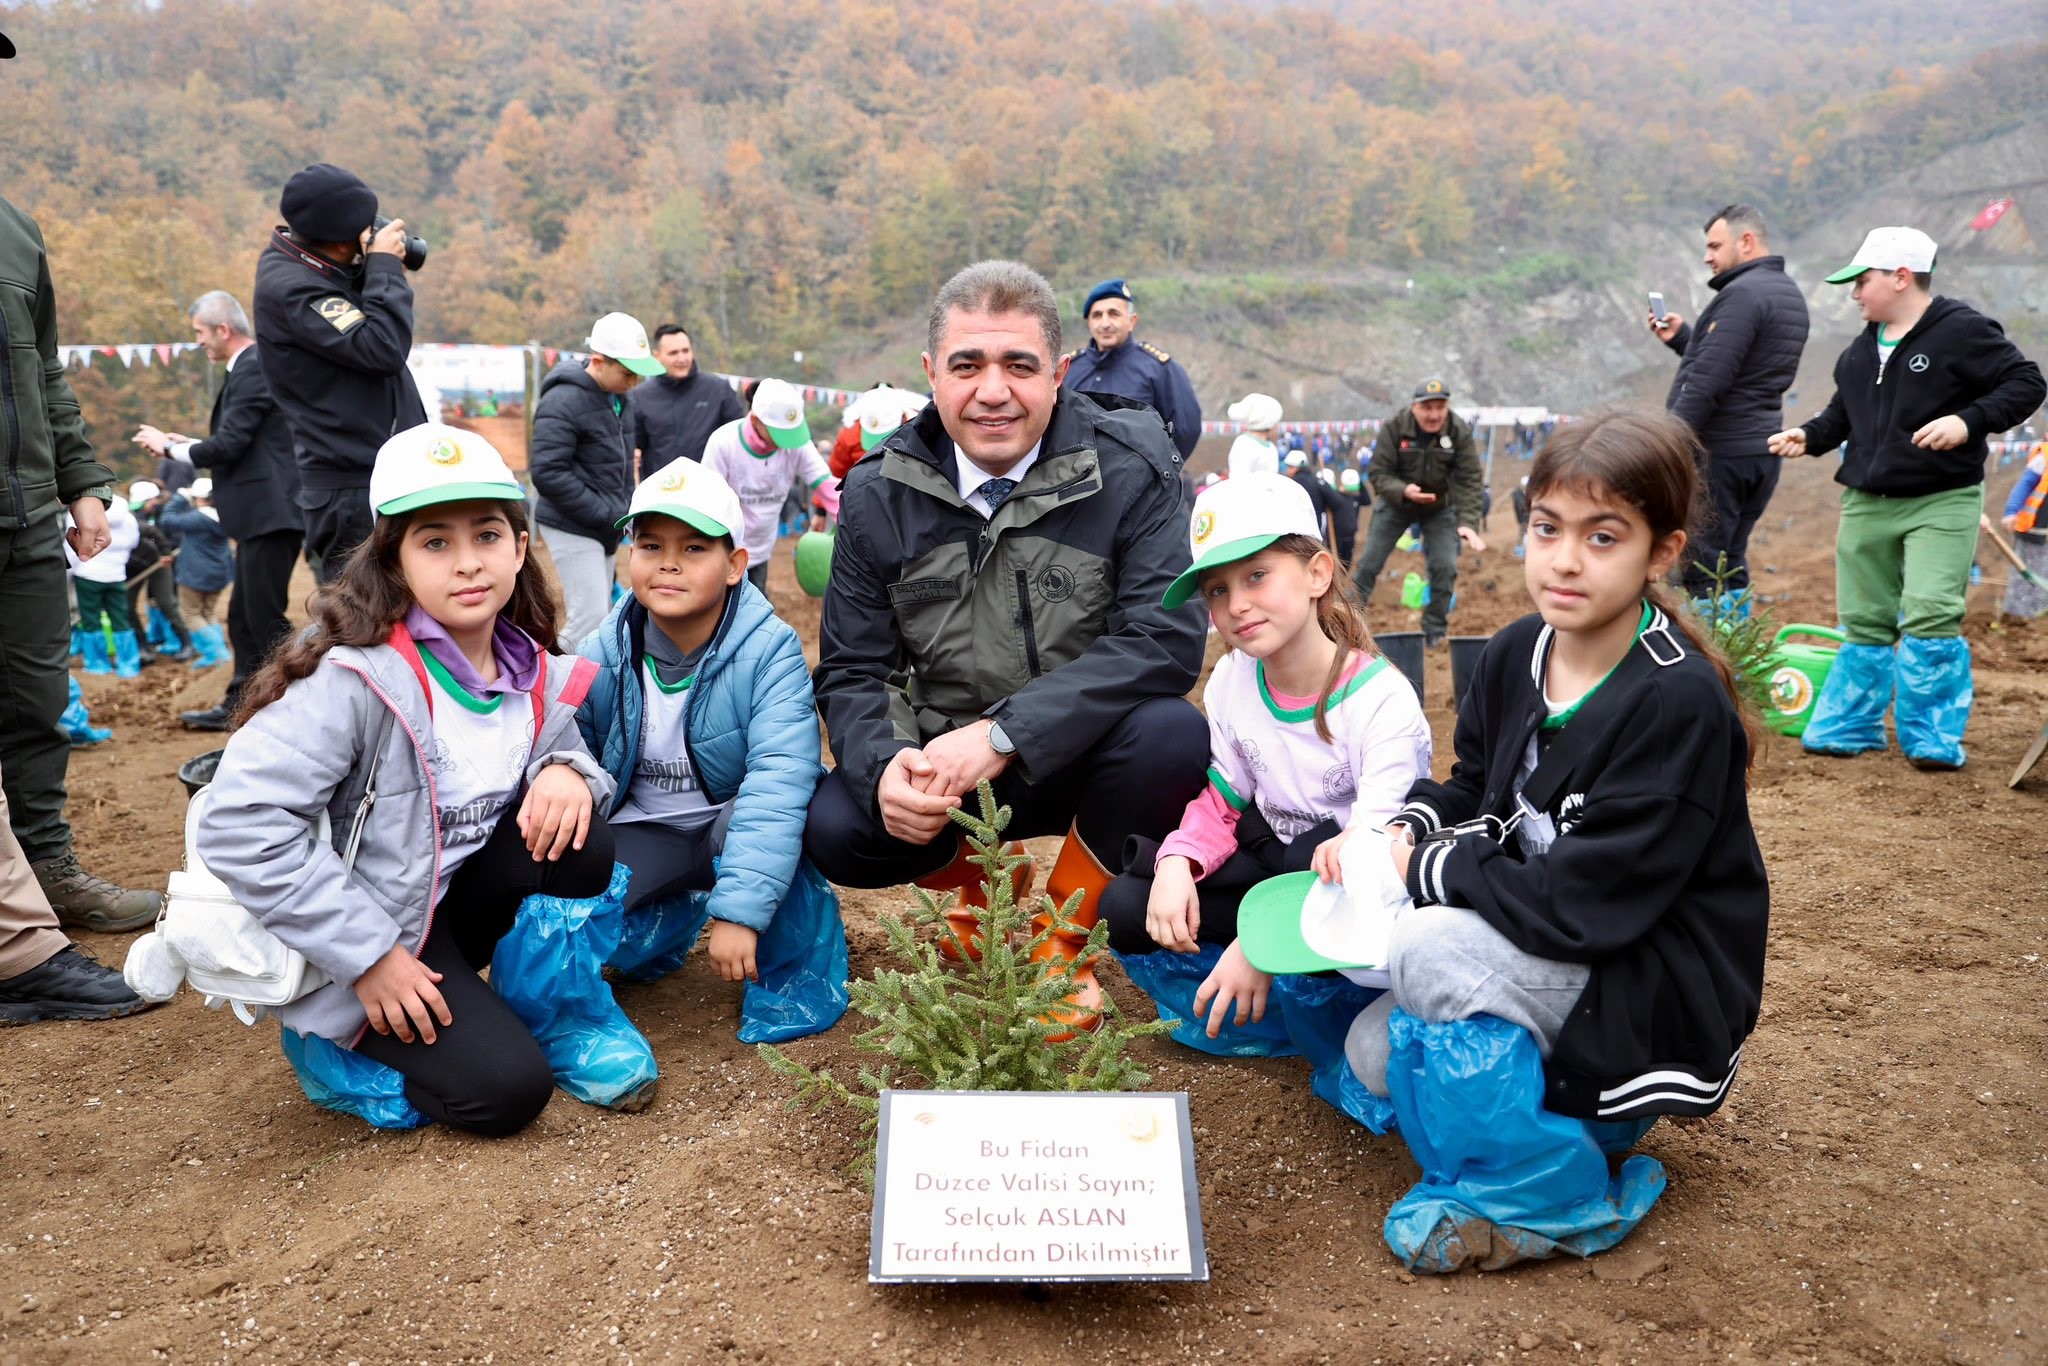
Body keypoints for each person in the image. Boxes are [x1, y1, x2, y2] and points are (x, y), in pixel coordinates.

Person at [1340, 409, 1769, 1271]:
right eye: (1547, 529)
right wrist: (1404, 827)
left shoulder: (1673, 704)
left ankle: (1548, 1182)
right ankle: (1547, 1111)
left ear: (1660, 553)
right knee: (1372, 1054)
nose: (1565, 561)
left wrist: (1427, 870)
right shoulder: (1515, 651)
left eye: (1603, 537)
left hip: (1641, 976)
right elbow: (1473, 784)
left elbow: (1583, 908)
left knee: (1424, 944)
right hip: (1546, 932)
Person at [807, 259, 1210, 1032]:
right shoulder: (875, 492)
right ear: (932, 373)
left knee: (1171, 734)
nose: (993, 391)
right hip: (947, 771)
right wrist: (887, 765)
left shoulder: (1132, 466)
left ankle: (1062, 939)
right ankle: (980, 891)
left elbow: (1164, 639)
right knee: (836, 824)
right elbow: (856, 670)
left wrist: (1005, 734)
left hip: (1081, 756)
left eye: (1018, 365)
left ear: (1058, 373)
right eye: (967, 365)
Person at [198, 424, 628, 1136]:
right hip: (375, 928)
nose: (468, 564)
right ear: (394, 560)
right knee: (508, 1094)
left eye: (488, 536)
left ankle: (496, 996)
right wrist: (369, 958)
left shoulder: (525, 665)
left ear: (520, 548)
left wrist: (567, 771)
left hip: (446, 900)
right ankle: (325, 1044)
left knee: (585, 848)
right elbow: (238, 823)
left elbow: (562, 742)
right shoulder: (354, 679)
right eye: (435, 542)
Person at [1096, 474, 1430, 1035]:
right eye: (1218, 590)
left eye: (1256, 575)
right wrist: (1178, 861)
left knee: (1316, 849)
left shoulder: (1380, 700)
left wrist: (1262, 941)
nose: (1238, 605)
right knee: (1129, 903)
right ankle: (1263, 986)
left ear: (1317, 573)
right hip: (1272, 865)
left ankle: (1277, 976)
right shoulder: (1231, 678)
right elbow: (1225, 799)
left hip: (1353, 893)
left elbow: (1374, 853)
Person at [1768, 226, 2046, 769]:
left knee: (1930, 613)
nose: (1854, 294)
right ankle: (1851, 725)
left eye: (1861, 281)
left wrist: (1968, 422)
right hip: (1866, 501)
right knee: (1865, 617)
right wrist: (1810, 435)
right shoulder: (1857, 351)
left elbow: (2026, 382)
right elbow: (1842, 416)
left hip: (1941, 499)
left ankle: (1930, 739)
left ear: (1900, 277)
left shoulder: (1961, 331)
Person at [576, 456, 822, 985]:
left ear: (734, 564)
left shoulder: (770, 651)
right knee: (576, 930)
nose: (669, 563)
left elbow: (779, 779)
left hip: (729, 826)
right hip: (647, 827)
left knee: (808, 820)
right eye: (650, 546)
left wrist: (740, 911)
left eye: (693, 548)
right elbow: (571, 746)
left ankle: (787, 976)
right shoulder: (603, 648)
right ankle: (672, 917)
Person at [138, 289, 307, 729]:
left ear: (223, 330)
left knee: (262, 617)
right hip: (263, 515)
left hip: (272, 514)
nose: (198, 342)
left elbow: (230, 445)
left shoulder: (251, 368)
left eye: (200, 333)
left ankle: (291, 700)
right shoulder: (249, 369)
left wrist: (171, 451)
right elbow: (240, 439)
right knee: (243, 616)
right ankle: (245, 704)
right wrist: (178, 442)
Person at [253, 164, 428, 582]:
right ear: (338, 240)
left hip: (369, 469)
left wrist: (369, 266)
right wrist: (383, 266)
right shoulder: (294, 286)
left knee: (399, 614)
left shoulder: (313, 266)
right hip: (350, 487)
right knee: (359, 620)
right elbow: (381, 347)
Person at [1647, 204, 1810, 605]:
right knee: (1729, 560)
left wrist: (1666, 443)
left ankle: (1707, 660)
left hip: (1721, 452)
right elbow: (1743, 371)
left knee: (1701, 567)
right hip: (1759, 451)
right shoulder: (1786, 294)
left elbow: (1709, 381)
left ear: (1747, 242)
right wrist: (1685, 338)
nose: (1708, 256)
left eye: (1715, 246)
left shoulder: (1741, 295)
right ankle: (1734, 654)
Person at [530, 312, 663, 650]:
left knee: (601, 616)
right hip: (571, 523)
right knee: (589, 617)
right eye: (628, 373)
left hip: (603, 524)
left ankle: (584, 686)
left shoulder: (621, 400)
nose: (634, 381)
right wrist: (606, 512)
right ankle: (557, 684)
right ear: (599, 361)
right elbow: (548, 471)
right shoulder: (562, 400)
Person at [1352, 379, 1488, 647]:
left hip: (1439, 507)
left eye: (1441, 407)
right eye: (1428, 408)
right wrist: (1404, 490)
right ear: (1414, 407)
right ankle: (1347, 620)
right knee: (1369, 562)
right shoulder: (1395, 427)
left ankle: (1434, 630)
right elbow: (1378, 473)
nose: (1435, 414)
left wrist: (1468, 522)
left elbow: (1470, 479)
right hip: (1397, 503)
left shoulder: (1458, 430)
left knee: (1445, 566)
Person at [697, 377, 836, 595]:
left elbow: (829, 488)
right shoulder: (724, 443)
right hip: (722, 550)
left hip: (761, 550)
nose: (786, 442)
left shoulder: (797, 446)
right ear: (755, 421)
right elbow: (705, 502)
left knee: (754, 612)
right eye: (779, 433)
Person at [1062, 278, 1203, 462]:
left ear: (1132, 321)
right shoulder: (1068, 370)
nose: (1105, 323)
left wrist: (1157, 474)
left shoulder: (1158, 369)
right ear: (1088, 322)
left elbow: (1186, 429)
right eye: (1097, 315)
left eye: (1113, 314)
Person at [631, 324, 747, 472]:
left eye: (686, 351)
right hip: (662, 490)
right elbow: (634, 450)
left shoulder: (718, 390)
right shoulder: (640, 397)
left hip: (711, 488)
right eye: (673, 353)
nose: (682, 358)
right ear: (657, 356)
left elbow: (737, 441)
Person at [157, 478, 234, 669]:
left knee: (191, 613)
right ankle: (219, 652)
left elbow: (167, 520)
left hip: (196, 573)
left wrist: (180, 497)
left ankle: (216, 653)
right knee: (207, 612)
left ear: (199, 496)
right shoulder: (225, 514)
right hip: (219, 571)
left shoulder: (199, 518)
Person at [69, 494, 143, 680]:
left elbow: (71, 546)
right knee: (120, 618)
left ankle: (97, 665)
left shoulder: (82, 516)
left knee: (91, 620)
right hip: (116, 575)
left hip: (88, 575)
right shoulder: (129, 520)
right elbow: (134, 542)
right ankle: (128, 665)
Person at [122, 479, 191, 664]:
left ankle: (186, 642)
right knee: (127, 606)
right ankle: (143, 646)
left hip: (160, 564)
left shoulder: (163, 514)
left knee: (166, 602)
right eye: (150, 501)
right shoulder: (130, 516)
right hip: (134, 566)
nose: (153, 503)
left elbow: (172, 537)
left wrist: (167, 553)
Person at [2000, 442, 2048, 619]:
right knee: (2027, 578)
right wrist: (2011, 511)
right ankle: (2019, 617)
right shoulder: (2045, 457)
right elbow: (2026, 483)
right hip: (2034, 531)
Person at [1225, 393, 1283, 478]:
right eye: (1276, 422)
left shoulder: (1270, 446)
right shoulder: (1244, 444)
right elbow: (1239, 480)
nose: (1278, 426)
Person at [1331, 467, 1365, 565]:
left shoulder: (1355, 498)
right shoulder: (1336, 497)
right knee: (1336, 562)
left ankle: (1343, 578)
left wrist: (1360, 483)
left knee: (1347, 562)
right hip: (1337, 537)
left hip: (1350, 537)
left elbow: (1367, 500)